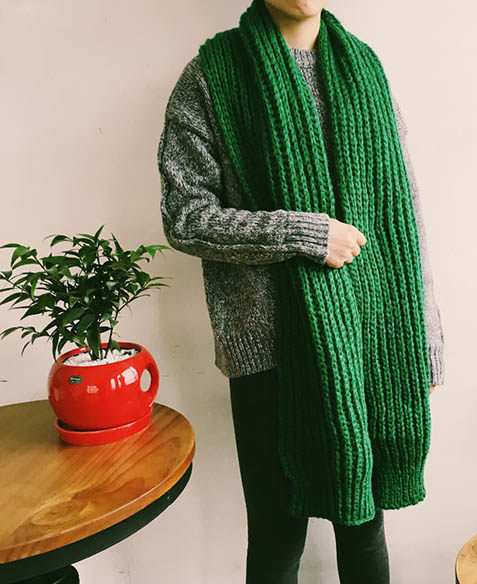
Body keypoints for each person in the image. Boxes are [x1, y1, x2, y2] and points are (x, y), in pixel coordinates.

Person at [157, 1, 445, 582]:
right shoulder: (212, 74)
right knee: (276, 536)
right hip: (267, 352)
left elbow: (403, 213)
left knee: (364, 526)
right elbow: (185, 217)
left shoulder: (365, 68)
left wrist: (428, 339)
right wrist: (303, 233)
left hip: (369, 338)